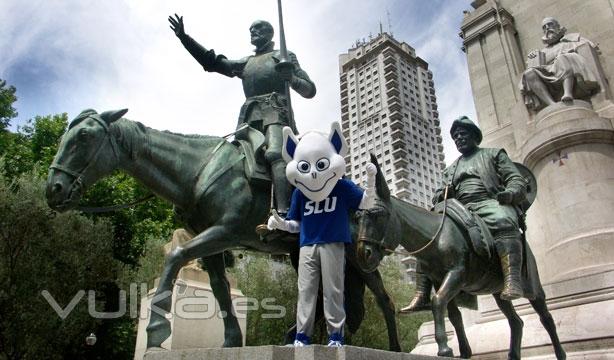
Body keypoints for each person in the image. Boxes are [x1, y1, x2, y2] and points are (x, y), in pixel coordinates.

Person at [168, 15, 316, 216]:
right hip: (249, 117)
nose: (253, 32)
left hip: (276, 113)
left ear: (269, 33)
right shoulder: (246, 62)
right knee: (231, 157)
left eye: (258, 28)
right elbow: (212, 62)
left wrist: (291, 78)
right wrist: (185, 38)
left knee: (274, 153)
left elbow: (310, 90)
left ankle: (284, 213)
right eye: (251, 29)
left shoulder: (283, 56)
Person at [401, 116, 528, 313]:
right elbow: (437, 194)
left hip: (489, 202)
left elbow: (515, 179)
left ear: (474, 136)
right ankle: (422, 293)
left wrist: (510, 193)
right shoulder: (450, 169)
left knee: (503, 219)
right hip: (459, 209)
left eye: (463, 134)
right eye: (456, 136)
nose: (459, 138)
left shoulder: (494, 154)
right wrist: (443, 194)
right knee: (429, 238)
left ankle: (512, 279)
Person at [267, 123, 376, 346]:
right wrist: (280, 223)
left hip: (333, 243)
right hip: (307, 245)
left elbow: (365, 202)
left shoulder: (342, 187)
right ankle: (301, 336)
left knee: (333, 290)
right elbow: (296, 224)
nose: (315, 172)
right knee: (305, 291)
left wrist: (371, 183)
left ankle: (336, 336)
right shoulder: (300, 192)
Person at [519, 17, 600, 110]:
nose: (547, 28)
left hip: (568, 67)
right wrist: (533, 58)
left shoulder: (573, 39)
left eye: (550, 24)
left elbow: (589, 46)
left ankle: (568, 93)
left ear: (558, 26)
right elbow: (538, 68)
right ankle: (552, 104)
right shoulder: (544, 52)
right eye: (544, 27)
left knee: (562, 58)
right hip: (550, 75)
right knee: (529, 73)